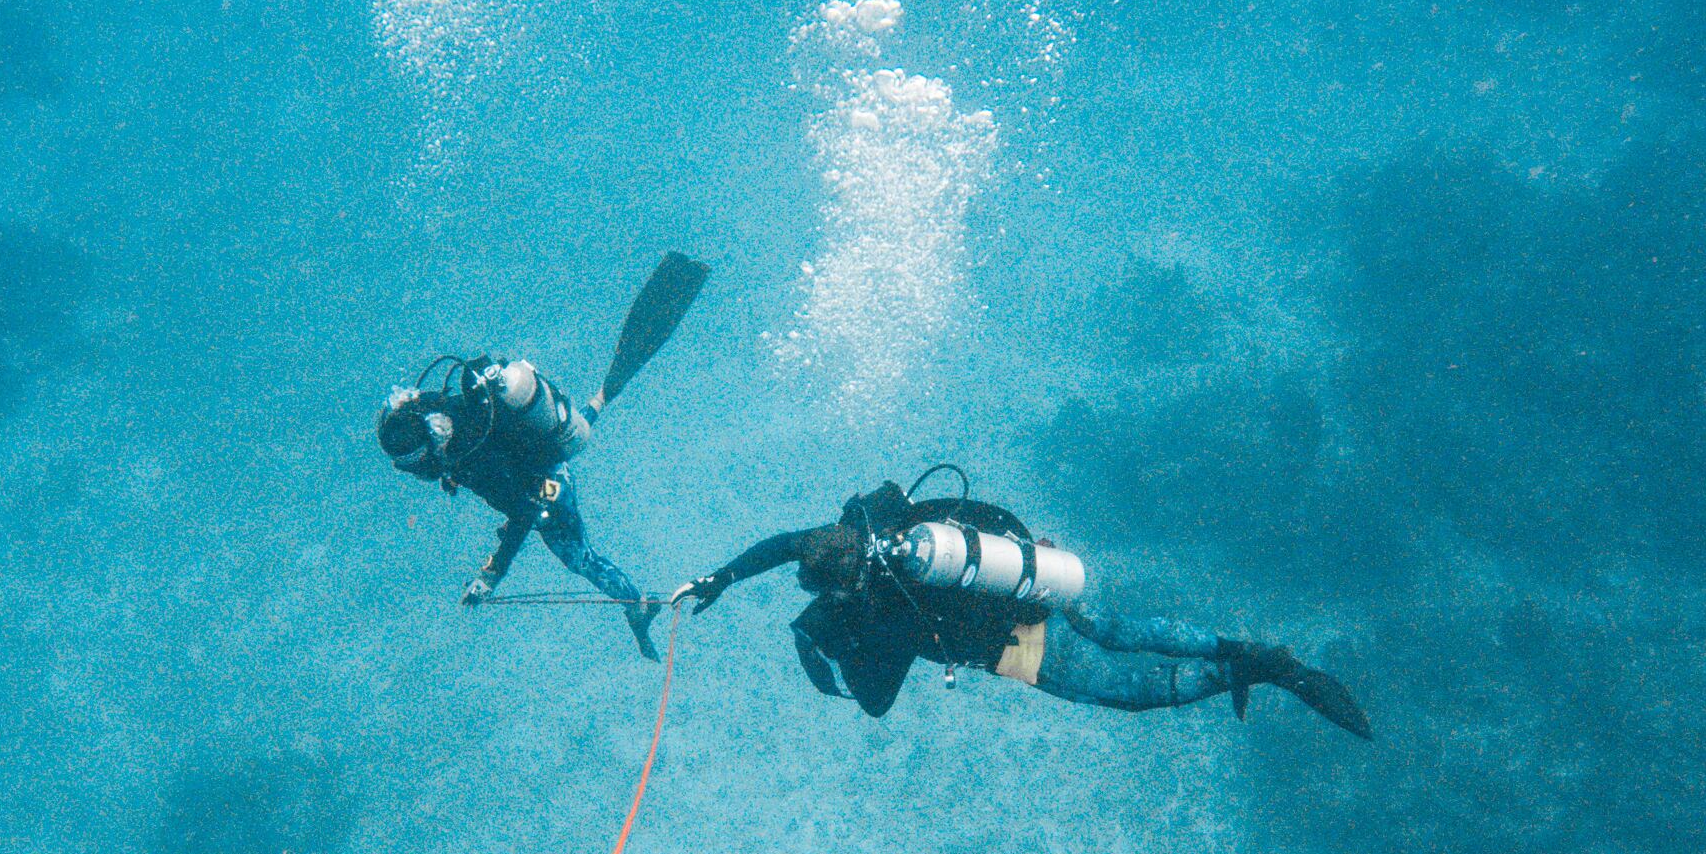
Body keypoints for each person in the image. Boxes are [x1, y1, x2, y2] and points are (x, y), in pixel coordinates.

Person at [675, 474, 1370, 733]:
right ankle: (1241, 650)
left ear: (840, 583)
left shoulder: (884, 609)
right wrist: (721, 578)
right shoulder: (870, 520)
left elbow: (876, 701)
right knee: (1121, 629)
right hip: (1035, 575)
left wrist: (825, 637)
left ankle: (1252, 670)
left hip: (1015, 645)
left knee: (1129, 692)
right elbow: (785, 544)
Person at [374, 255, 708, 662]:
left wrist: (491, 573)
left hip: (548, 483)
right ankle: (598, 402)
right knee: (553, 469)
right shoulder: (438, 409)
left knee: (575, 554)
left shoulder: (474, 462)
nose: (414, 470)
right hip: (531, 456)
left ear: (431, 441)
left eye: (414, 461)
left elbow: (522, 513)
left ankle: (639, 606)